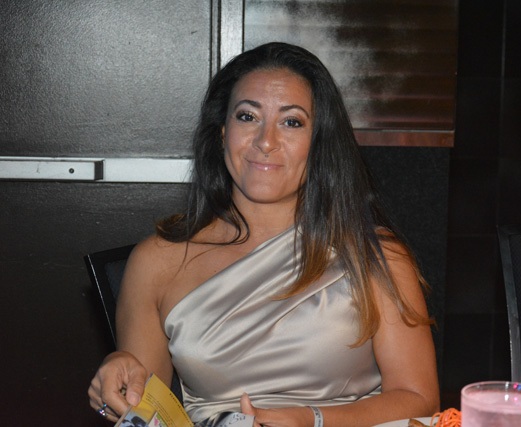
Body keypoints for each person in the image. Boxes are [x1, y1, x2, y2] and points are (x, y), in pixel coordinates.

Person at [88, 41, 440, 427]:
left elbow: (418, 399)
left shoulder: (375, 256)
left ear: (318, 142)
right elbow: (149, 412)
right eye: (247, 116)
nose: (265, 141)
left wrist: (311, 420)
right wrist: (119, 374)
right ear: (222, 132)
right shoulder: (157, 261)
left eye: (292, 122)